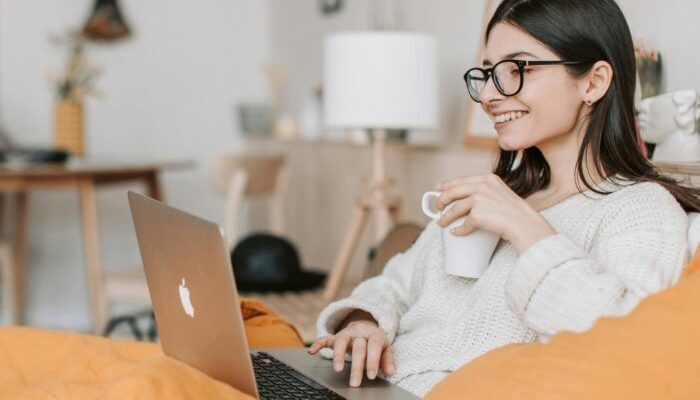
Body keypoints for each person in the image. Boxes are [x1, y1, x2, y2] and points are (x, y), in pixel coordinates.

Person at [308, 0, 700, 396]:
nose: (490, 95)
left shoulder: (639, 209)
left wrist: (525, 228)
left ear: (594, 82)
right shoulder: (501, 191)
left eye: (518, 69)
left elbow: (624, 342)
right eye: (489, 73)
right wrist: (364, 322)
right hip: (372, 385)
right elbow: (394, 283)